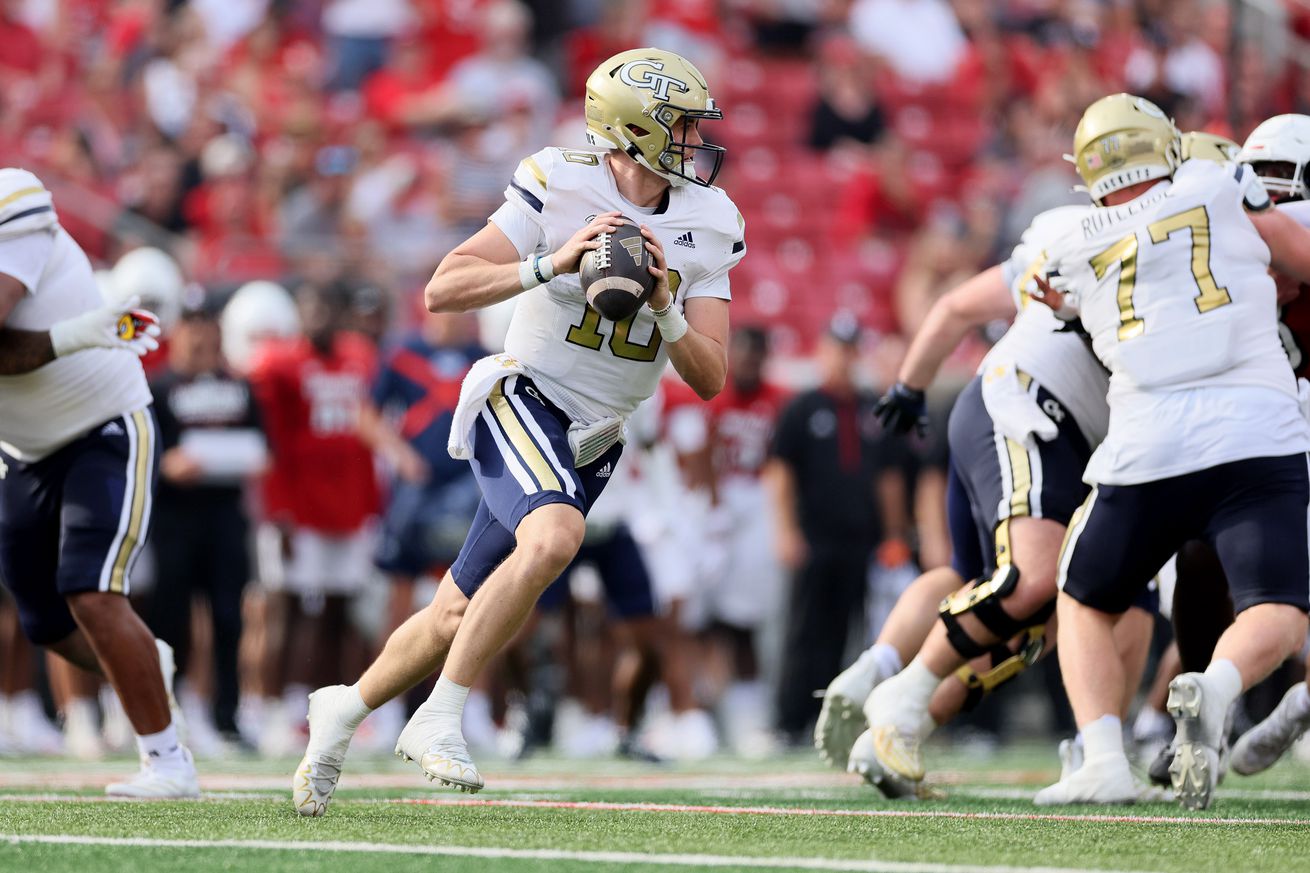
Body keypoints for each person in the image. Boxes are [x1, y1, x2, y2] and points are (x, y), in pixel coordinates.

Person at [291, 47, 745, 815]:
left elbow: (709, 376)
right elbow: (444, 286)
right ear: (633, 128)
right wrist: (549, 262)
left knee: (452, 611)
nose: (695, 137)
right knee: (554, 538)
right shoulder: (561, 180)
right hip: (524, 395)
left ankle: (342, 707)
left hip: (597, 432)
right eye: (682, 123)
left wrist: (666, 303)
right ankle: (441, 715)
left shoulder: (711, 220)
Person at [831, 131, 1240, 797]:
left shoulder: (1191, 263)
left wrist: (911, 384)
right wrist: (909, 382)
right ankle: (897, 693)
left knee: (1096, 605)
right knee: (1029, 580)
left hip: (1091, 440)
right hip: (1028, 408)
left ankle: (1089, 748)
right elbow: (972, 301)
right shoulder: (1101, 238)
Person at [1026, 94, 1310, 809]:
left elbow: (1059, 309)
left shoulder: (1067, 236)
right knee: (1280, 604)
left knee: (1085, 599)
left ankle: (1102, 758)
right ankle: (1216, 686)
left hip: (1147, 439)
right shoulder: (1216, 182)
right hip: (1254, 426)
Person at [0, 168, 197, 796]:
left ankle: (167, 763)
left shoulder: (15, 199)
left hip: (103, 427)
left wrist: (70, 340)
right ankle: (145, 660)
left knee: (91, 591)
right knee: (45, 623)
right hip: (20, 449)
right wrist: (75, 334)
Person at [249, 280, 381, 756]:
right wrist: (279, 511)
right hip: (299, 508)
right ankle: (274, 711)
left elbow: (367, 433)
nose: (318, 316)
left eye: (326, 306)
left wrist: (371, 504)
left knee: (339, 613)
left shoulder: (360, 356)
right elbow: (272, 445)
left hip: (347, 505)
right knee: (285, 609)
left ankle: (326, 708)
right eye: (310, 307)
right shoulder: (278, 364)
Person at [765, 313, 908, 744]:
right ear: (822, 351)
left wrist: (894, 535)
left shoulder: (870, 408)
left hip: (860, 540)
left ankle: (832, 720)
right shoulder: (803, 407)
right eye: (836, 349)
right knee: (807, 630)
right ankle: (791, 720)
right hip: (815, 537)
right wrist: (786, 530)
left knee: (851, 632)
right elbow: (780, 473)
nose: (843, 359)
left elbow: (888, 477)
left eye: (850, 350)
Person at [146, 303, 268, 749]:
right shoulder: (158, 388)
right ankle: (167, 711)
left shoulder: (239, 386)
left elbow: (263, 446)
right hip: (175, 517)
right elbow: (143, 449)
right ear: (177, 333)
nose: (199, 337)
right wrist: (165, 465)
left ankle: (226, 715)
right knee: (170, 615)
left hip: (224, 516)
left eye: (206, 327)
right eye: (191, 326)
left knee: (228, 616)